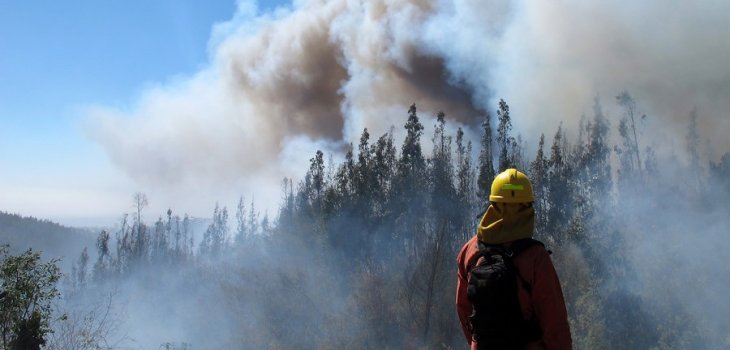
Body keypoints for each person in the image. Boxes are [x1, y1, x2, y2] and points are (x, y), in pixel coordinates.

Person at [456, 169, 572, 350]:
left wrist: (477, 342)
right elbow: (554, 323)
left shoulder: (470, 250)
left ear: (493, 205)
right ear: (526, 208)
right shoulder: (536, 257)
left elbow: (463, 307)